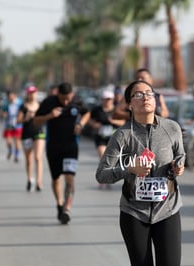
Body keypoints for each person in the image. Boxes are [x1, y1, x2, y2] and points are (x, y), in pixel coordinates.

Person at [96, 80, 186, 266]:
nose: (145, 97)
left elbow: (180, 154)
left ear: (155, 100)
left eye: (149, 93)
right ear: (129, 104)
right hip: (134, 212)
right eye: (138, 94)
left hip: (167, 209)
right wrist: (130, 169)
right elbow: (102, 174)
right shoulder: (122, 135)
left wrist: (177, 166)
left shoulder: (171, 128)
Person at [33, 82, 90, 225]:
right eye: (62, 98)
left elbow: (87, 112)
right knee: (56, 178)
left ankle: (67, 209)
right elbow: (36, 121)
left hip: (71, 146)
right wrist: (49, 116)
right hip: (53, 146)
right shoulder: (48, 102)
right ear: (57, 94)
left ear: (72, 95)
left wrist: (80, 124)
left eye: (68, 98)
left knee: (70, 178)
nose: (65, 102)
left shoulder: (77, 101)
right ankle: (59, 204)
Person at [88, 89, 125, 189]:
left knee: (112, 159)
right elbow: (89, 120)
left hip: (114, 138)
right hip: (101, 137)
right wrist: (95, 125)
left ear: (112, 99)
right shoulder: (97, 110)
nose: (107, 101)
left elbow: (124, 122)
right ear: (102, 100)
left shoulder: (117, 110)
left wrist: (114, 121)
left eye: (109, 99)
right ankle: (103, 177)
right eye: (105, 99)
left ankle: (109, 177)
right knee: (102, 156)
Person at [17, 86, 46, 192]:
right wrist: (26, 118)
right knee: (29, 159)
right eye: (30, 93)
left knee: (38, 157)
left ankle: (39, 182)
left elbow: (46, 118)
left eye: (34, 92)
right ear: (27, 94)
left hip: (39, 133)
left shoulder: (41, 106)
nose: (32, 94)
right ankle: (30, 179)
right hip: (27, 134)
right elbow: (18, 121)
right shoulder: (23, 107)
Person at [2, 89, 23, 162]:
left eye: (12, 95)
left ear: (15, 95)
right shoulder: (6, 103)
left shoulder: (20, 103)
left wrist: (20, 118)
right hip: (9, 124)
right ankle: (10, 150)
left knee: (17, 141)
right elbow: (3, 112)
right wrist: (4, 115)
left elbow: (23, 112)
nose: (10, 97)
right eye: (9, 96)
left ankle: (16, 155)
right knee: (9, 141)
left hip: (18, 125)